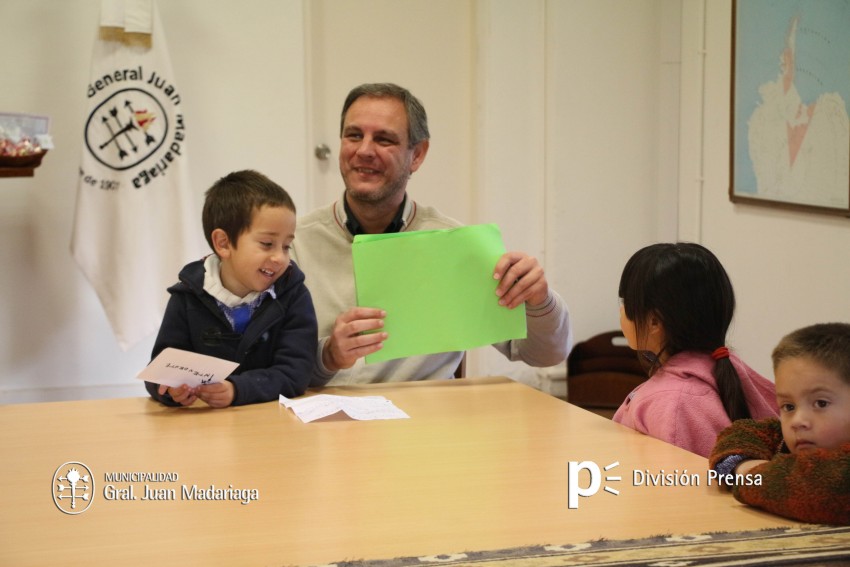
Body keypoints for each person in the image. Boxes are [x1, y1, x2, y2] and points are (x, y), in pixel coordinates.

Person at [291, 83, 571, 386]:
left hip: (427, 423)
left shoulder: (456, 246)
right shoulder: (293, 246)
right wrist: (328, 355)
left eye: (384, 139)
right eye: (354, 135)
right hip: (324, 422)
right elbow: (267, 364)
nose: (364, 150)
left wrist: (539, 299)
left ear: (418, 154)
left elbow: (545, 355)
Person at [144, 170, 318, 407]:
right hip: (204, 430)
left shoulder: (293, 295)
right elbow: (160, 370)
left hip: (270, 425)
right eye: (267, 244)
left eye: (286, 246)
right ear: (224, 244)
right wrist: (170, 391)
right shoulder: (186, 297)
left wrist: (238, 389)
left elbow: (295, 374)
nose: (280, 258)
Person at [612, 242, 778, 457]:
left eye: (626, 302)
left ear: (654, 321)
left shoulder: (674, 404)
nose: (622, 311)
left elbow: (676, 486)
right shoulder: (725, 367)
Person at [710, 323, 850, 525]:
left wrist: (751, 474)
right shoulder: (789, 436)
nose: (798, 421)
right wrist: (740, 464)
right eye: (788, 406)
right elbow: (742, 432)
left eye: (821, 403)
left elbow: (822, 489)